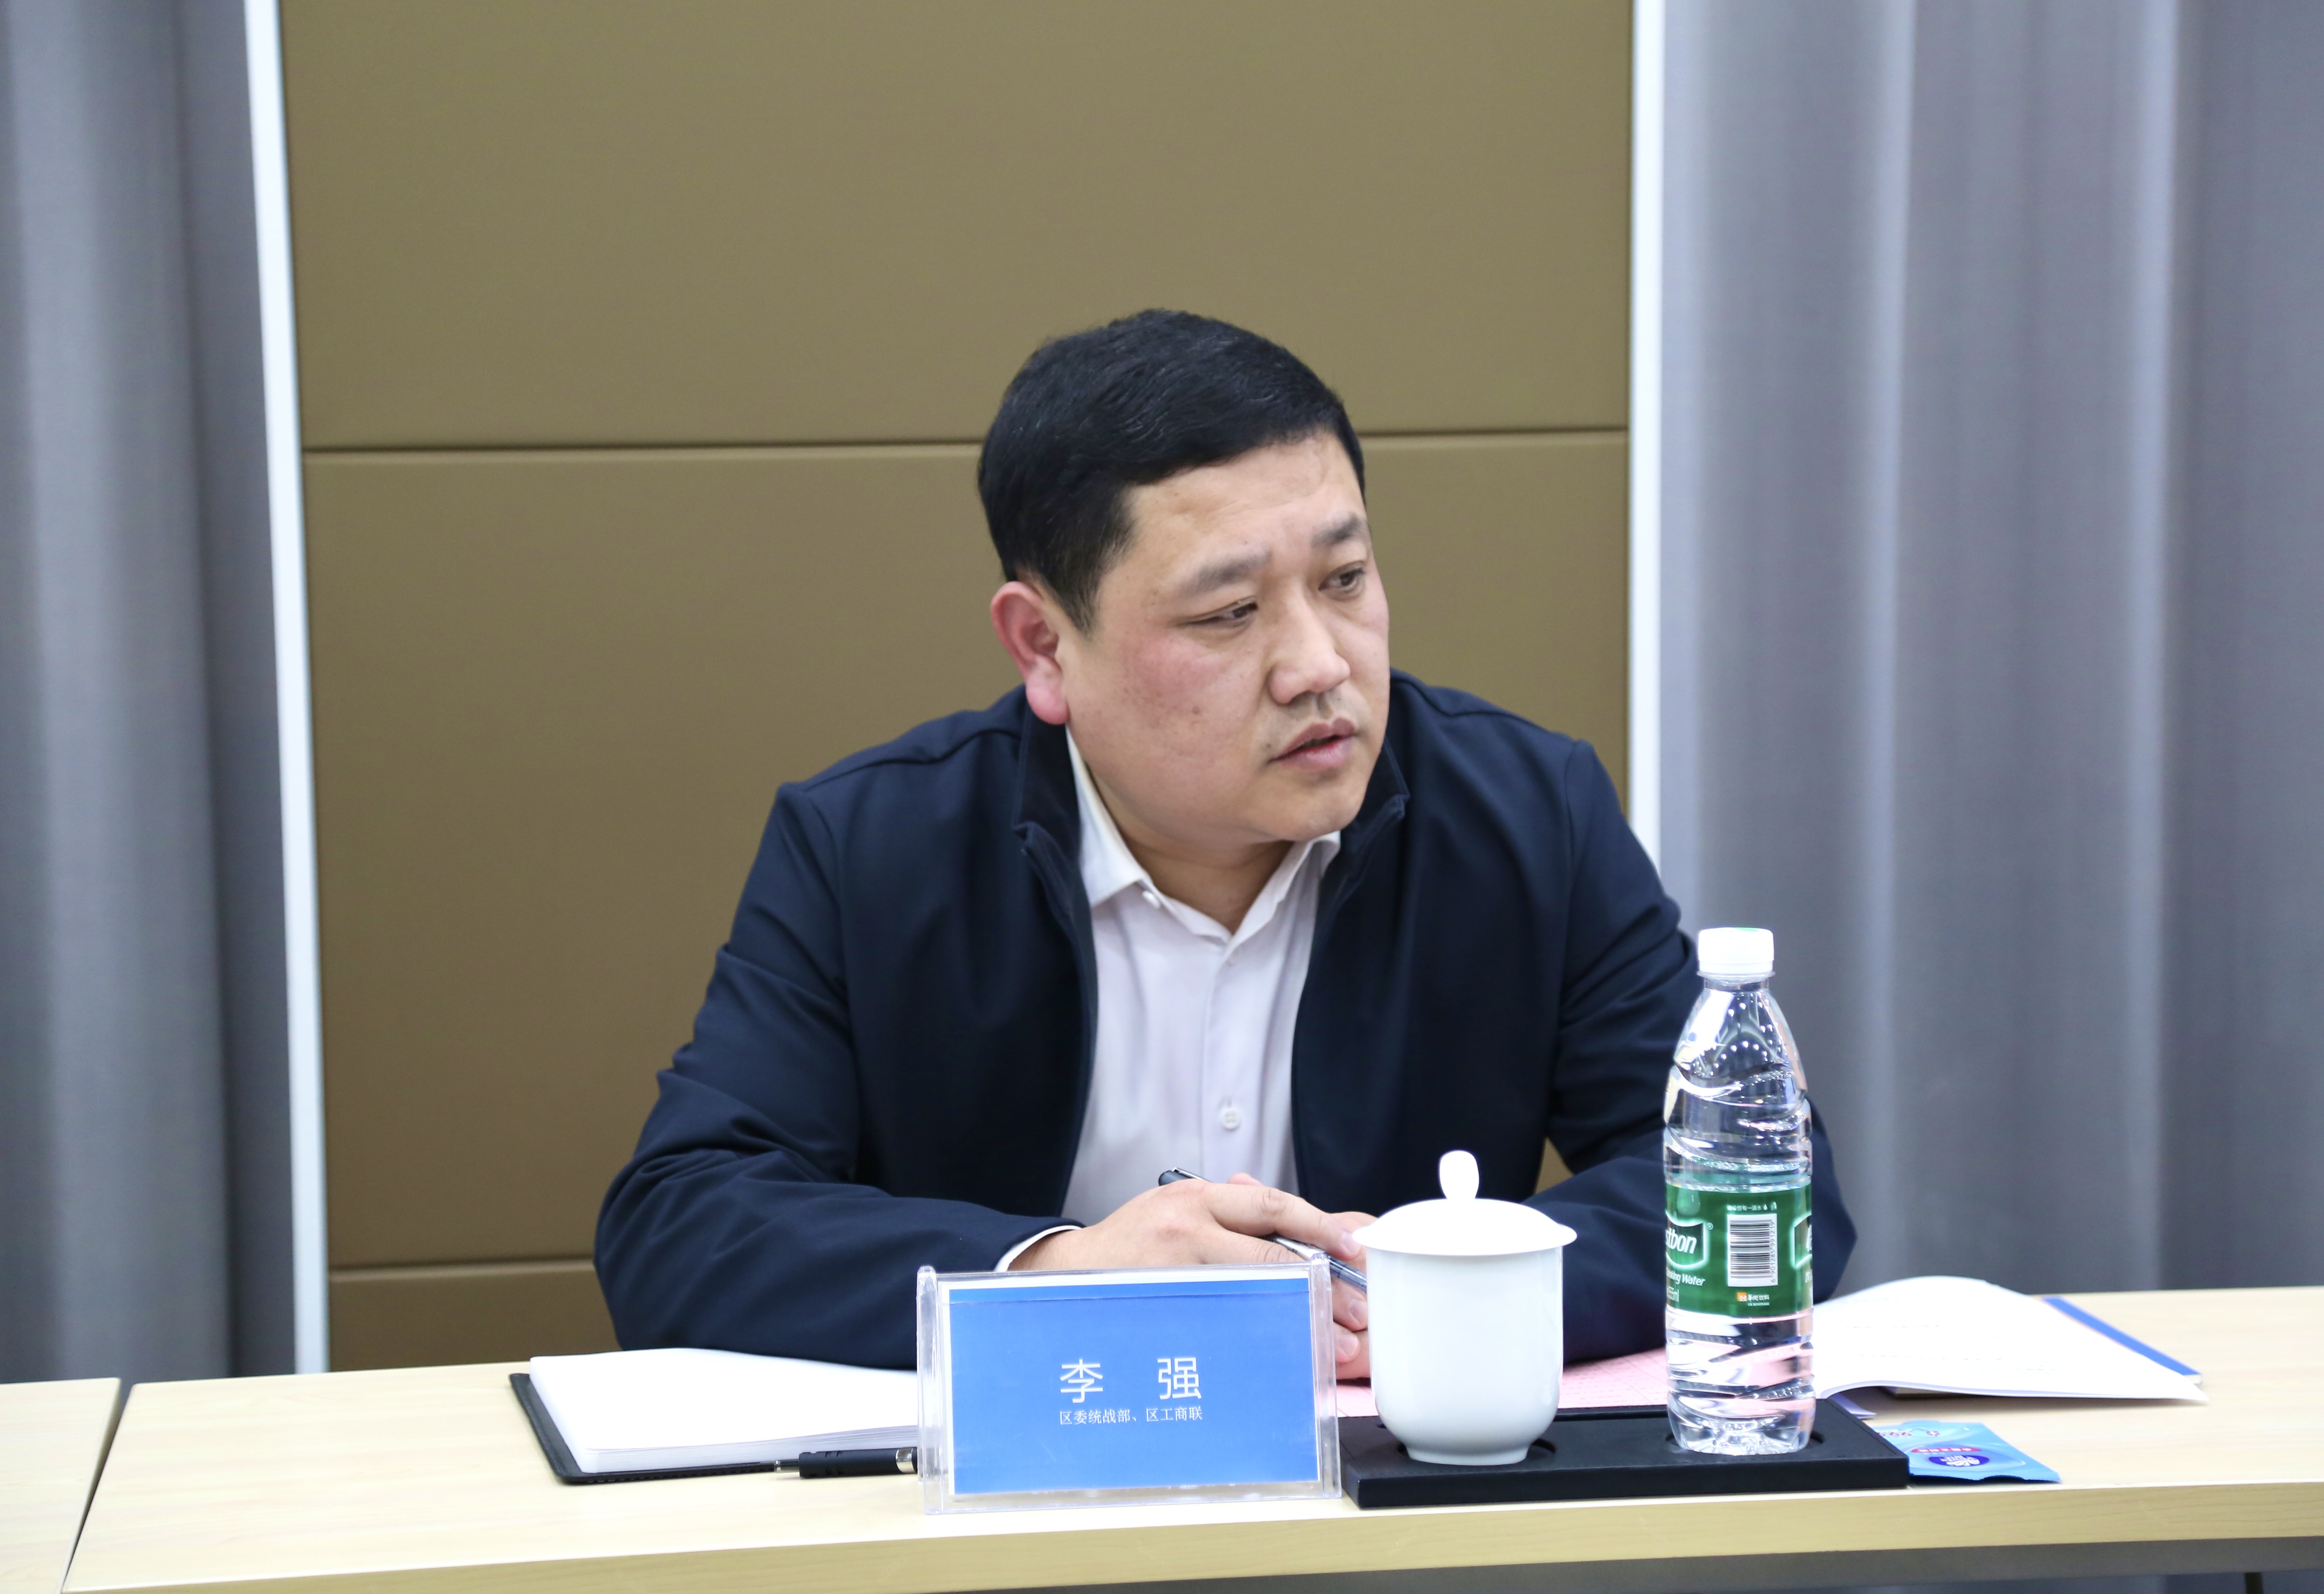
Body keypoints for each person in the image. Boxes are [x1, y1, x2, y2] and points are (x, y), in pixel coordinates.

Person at [596, 310, 1854, 1373]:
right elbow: (683, 1223)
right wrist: (1055, 1276)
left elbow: (1761, 1189)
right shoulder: (871, 849)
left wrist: (1435, 1302)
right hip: (1024, 1511)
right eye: (1230, 612)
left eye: (1345, 581)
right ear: (1044, 646)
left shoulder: (1528, 815)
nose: (1318, 666)